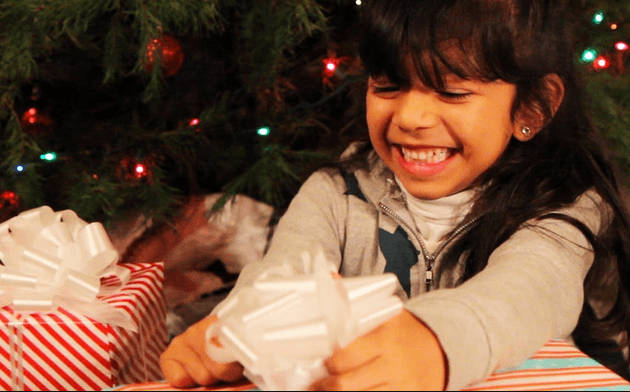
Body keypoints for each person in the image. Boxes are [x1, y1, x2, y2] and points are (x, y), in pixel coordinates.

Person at [160, 0, 630, 390]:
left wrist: (433, 343)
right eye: (388, 85)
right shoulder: (333, 193)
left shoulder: (564, 206)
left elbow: (524, 294)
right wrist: (235, 333)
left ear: (532, 107)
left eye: (449, 92)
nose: (409, 117)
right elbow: (279, 282)